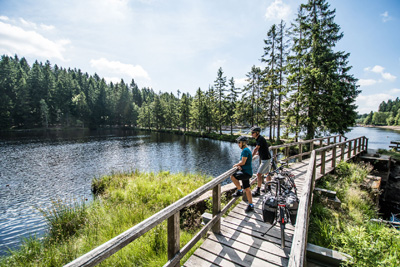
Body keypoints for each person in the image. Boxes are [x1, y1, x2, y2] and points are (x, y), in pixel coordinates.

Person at [230, 136, 254, 212]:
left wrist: (237, 165)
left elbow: (243, 162)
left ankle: (239, 190)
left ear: (243, 143)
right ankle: (251, 205)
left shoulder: (245, 151)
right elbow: (244, 162)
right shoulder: (247, 149)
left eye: (239, 142)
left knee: (232, 176)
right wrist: (240, 165)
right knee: (247, 188)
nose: (238, 144)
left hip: (246, 173)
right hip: (248, 172)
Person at [250, 126, 272, 197]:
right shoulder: (259, 138)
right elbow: (262, 148)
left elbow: (256, 149)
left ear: (257, 133)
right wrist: (259, 153)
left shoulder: (259, 139)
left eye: (253, 132)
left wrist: (251, 157)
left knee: (258, 174)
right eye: (251, 132)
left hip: (265, 159)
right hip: (266, 158)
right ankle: (268, 187)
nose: (252, 134)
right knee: (267, 173)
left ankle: (258, 191)